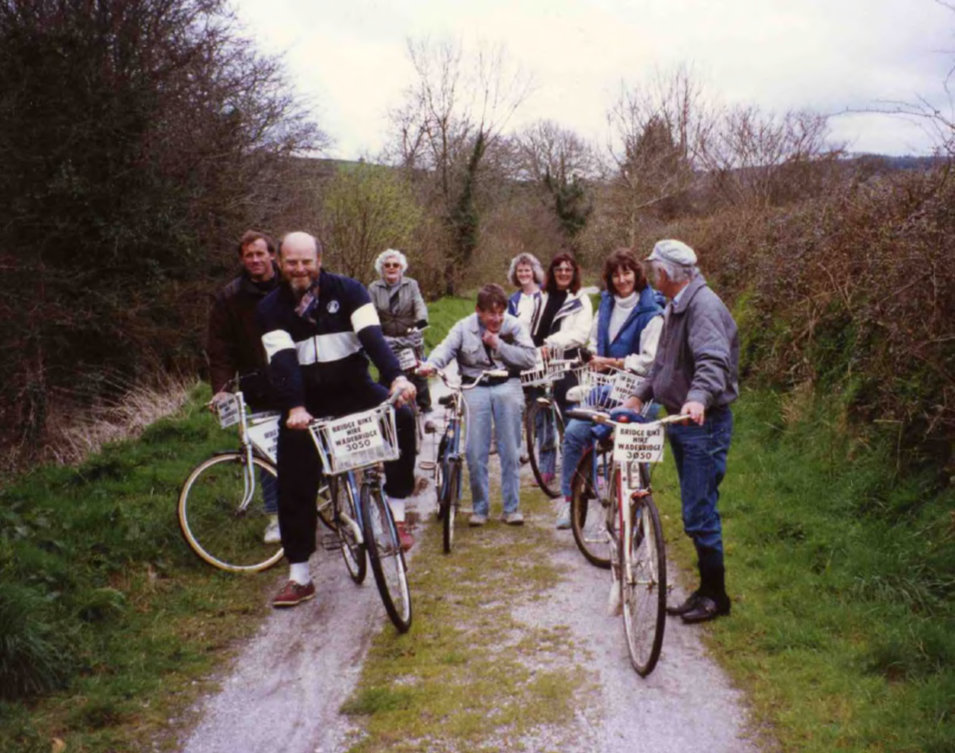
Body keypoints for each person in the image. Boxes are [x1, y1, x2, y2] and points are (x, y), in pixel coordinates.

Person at [256, 232, 417, 608]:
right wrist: (295, 406)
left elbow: (372, 337)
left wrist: (395, 377)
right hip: (305, 402)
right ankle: (300, 575)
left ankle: (395, 513)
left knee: (402, 416)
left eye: (306, 261)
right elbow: (283, 362)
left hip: (353, 388)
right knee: (294, 478)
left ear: (319, 259)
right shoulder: (270, 308)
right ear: (280, 263)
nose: (299, 269)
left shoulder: (349, 291)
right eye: (291, 262)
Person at [624, 239, 739, 624]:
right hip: (682, 422)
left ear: (669, 274)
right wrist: (639, 396)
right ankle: (705, 591)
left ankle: (716, 597)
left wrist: (698, 398)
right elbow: (662, 364)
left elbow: (713, 360)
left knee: (699, 512)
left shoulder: (702, 307)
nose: (654, 274)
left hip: (702, 424)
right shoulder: (676, 305)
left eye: (657, 269)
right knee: (696, 510)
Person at [556, 248, 663, 530]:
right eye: (615, 274)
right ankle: (570, 502)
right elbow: (593, 339)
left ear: (636, 274)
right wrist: (592, 356)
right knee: (573, 434)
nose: (621, 280)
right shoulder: (606, 303)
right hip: (604, 389)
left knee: (634, 451)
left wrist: (614, 362)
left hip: (639, 393)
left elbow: (650, 359)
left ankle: (638, 511)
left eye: (626, 272)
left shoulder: (651, 310)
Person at [418, 284, 538, 526]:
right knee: (474, 451)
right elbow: (445, 348)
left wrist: (499, 345)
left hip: (507, 384)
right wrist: (431, 365)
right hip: (475, 387)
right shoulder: (464, 327)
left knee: (510, 450)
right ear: (479, 311)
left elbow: (529, 358)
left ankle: (511, 508)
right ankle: (479, 508)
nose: (496, 318)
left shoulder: (514, 326)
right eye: (491, 313)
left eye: (500, 313)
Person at [206, 229, 282, 543]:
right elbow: (221, 348)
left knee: (312, 441)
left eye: (260, 253)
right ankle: (277, 517)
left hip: (302, 379)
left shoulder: (291, 284)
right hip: (259, 385)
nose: (254, 260)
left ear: (272, 256)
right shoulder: (230, 297)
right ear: (242, 259)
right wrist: (222, 388)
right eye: (248, 255)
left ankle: (324, 498)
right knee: (267, 451)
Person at [528, 252, 594, 487]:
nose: (563, 273)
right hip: (540, 361)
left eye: (568, 269)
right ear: (552, 272)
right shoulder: (543, 296)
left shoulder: (580, 299)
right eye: (559, 269)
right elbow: (532, 326)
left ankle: (581, 472)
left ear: (574, 272)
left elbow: (581, 333)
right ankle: (546, 469)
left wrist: (553, 343)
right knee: (542, 416)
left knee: (570, 419)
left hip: (567, 362)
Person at [367, 248, 432, 413]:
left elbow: (420, 308)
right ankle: (386, 408)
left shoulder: (411, 284)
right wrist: (377, 337)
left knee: (418, 371)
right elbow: (371, 315)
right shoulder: (374, 288)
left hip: (410, 335)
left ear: (401, 268)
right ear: (381, 268)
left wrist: (418, 328)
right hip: (387, 338)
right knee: (387, 373)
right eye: (387, 265)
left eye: (395, 265)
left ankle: (424, 407)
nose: (391, 268)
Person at [506, 252, 544, 330]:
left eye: (527, 270)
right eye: (520, 271)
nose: (523, 274)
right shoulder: (513, 300)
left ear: (534, 272)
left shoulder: (546, 294)